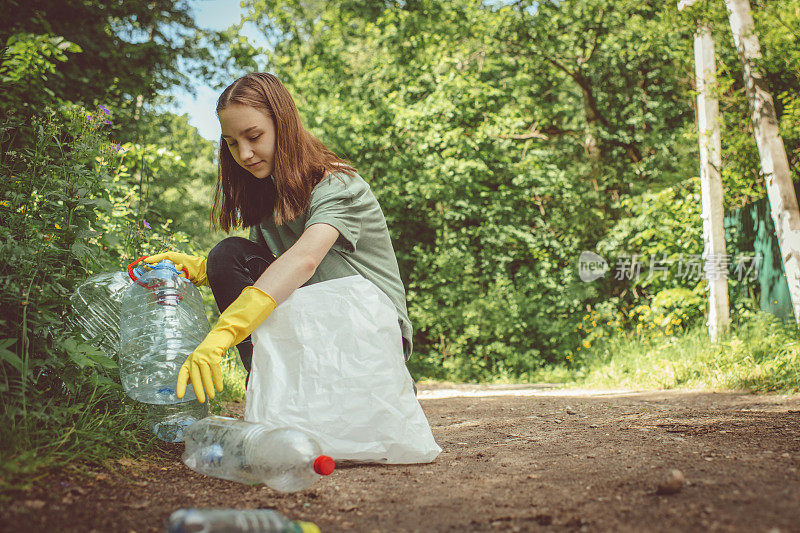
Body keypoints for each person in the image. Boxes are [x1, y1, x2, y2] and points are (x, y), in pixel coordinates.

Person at [144, 73, 413, 403]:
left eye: (254, 136)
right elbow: (257, 270)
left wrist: (225, 333)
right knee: (227, 254)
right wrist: (204, 269)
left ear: (283, 125)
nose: (244, 154)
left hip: (369, 342)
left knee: (231, 257)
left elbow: (304, 260)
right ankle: (271, 393)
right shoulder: (269, 203)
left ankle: (319, 394)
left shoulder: (339, 185)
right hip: (319, 331)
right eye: (231, 143)